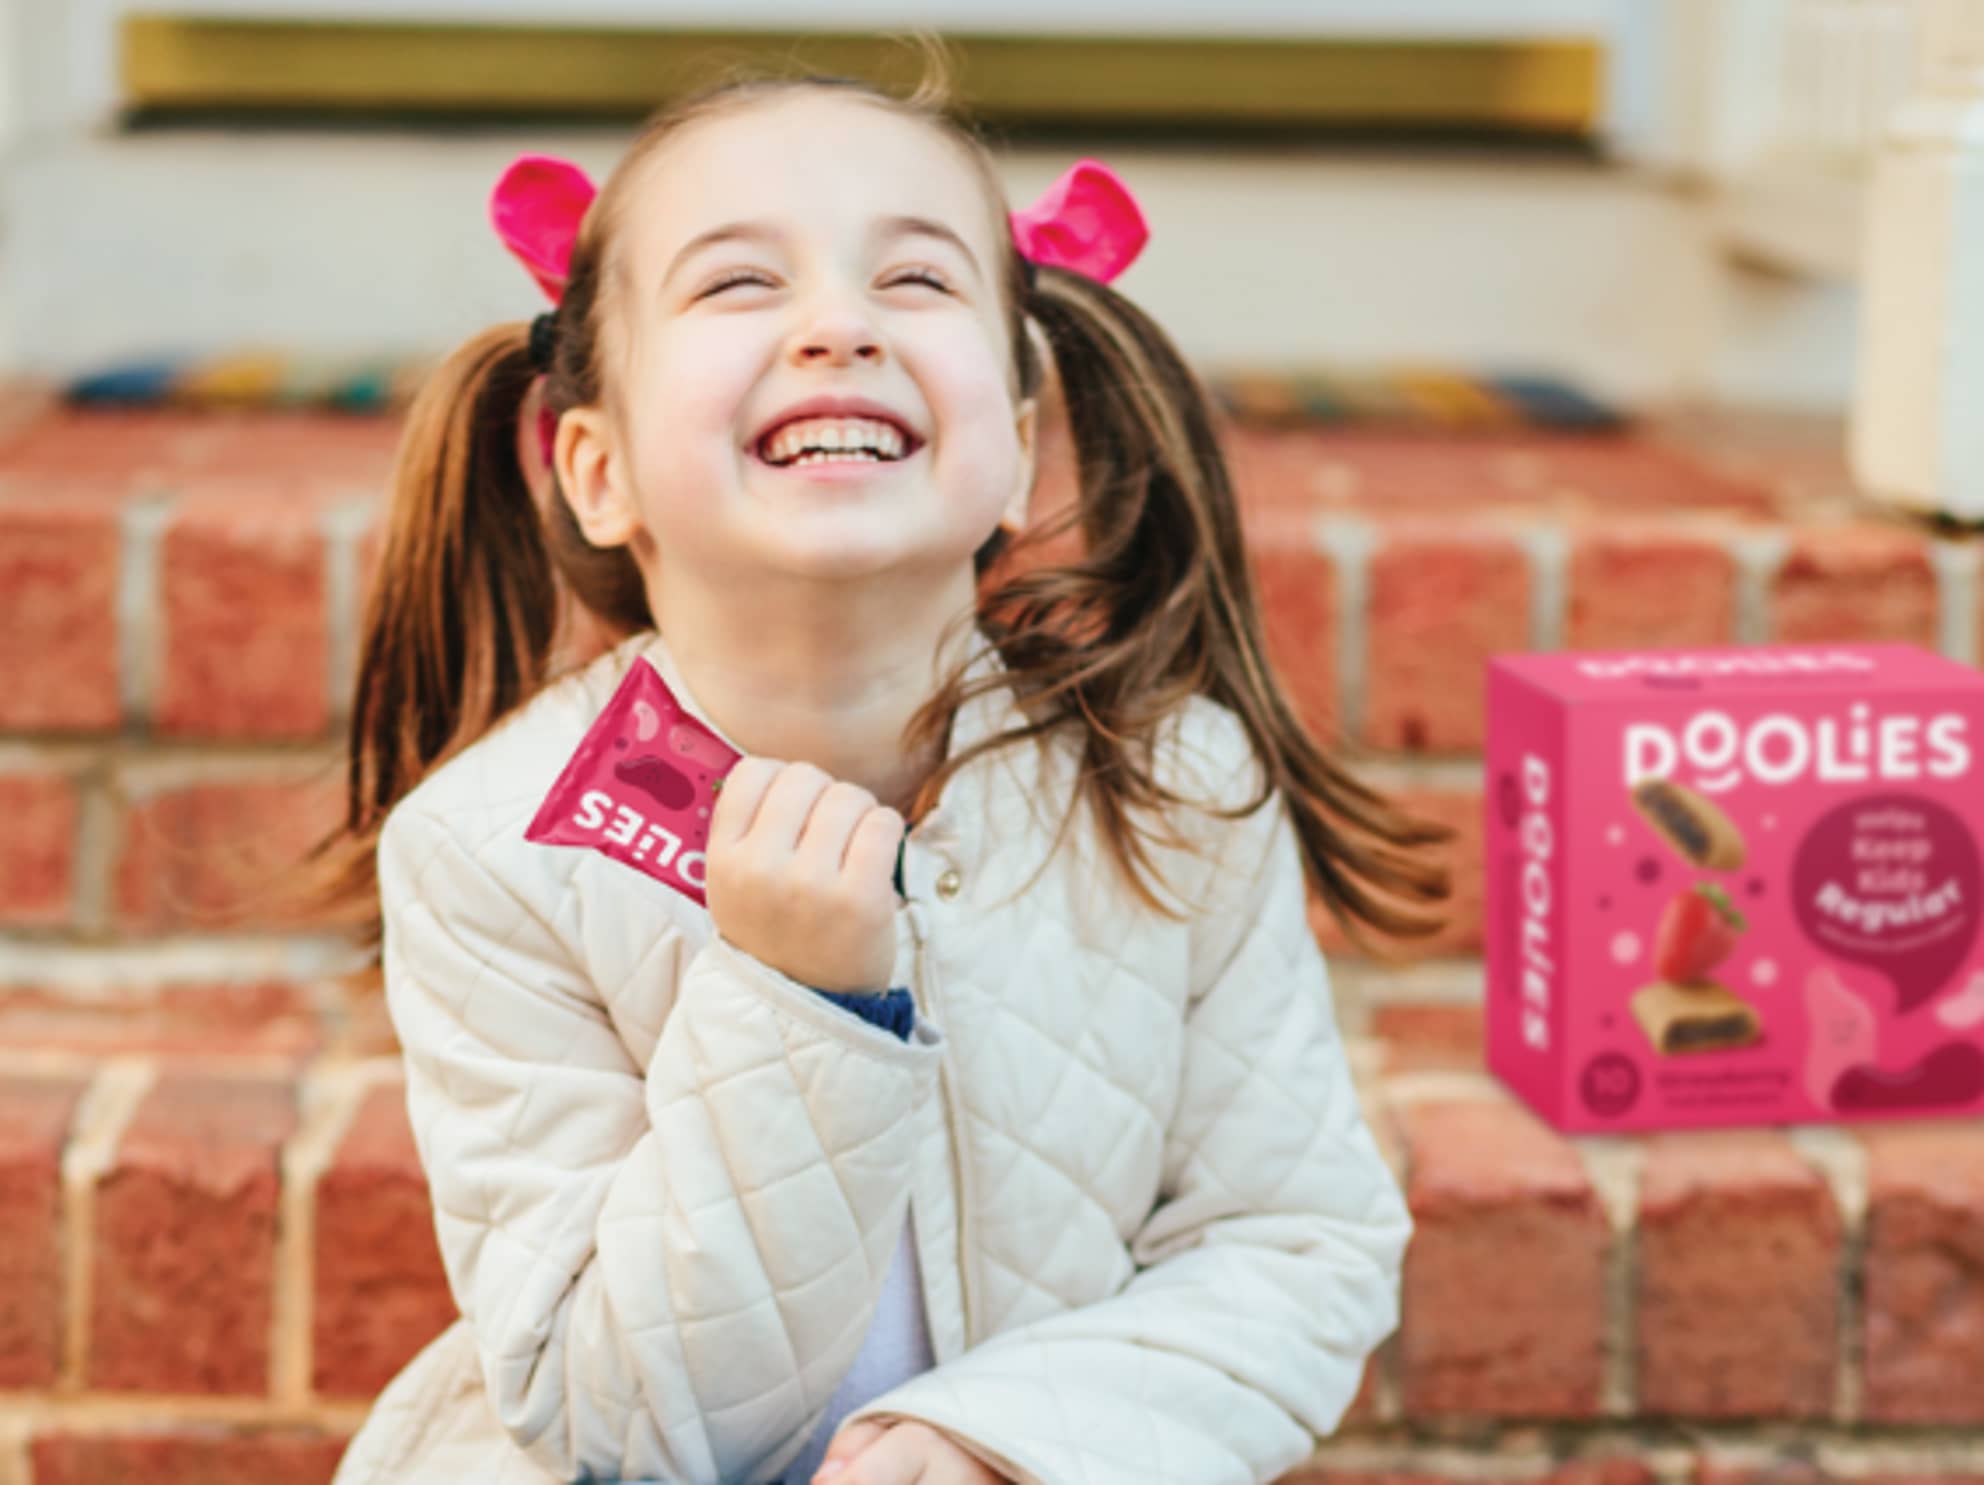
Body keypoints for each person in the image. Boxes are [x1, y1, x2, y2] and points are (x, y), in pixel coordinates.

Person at [319, 62, 1452, 1485]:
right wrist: (801, 1003)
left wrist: (1007, 1438)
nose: (839, 325)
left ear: (1021, 450)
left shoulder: (1172, 788)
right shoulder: (492, 849)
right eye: (737, 284)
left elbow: (1298, 1244)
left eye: (915, 279)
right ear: (595, 471)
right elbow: (616, 1420)